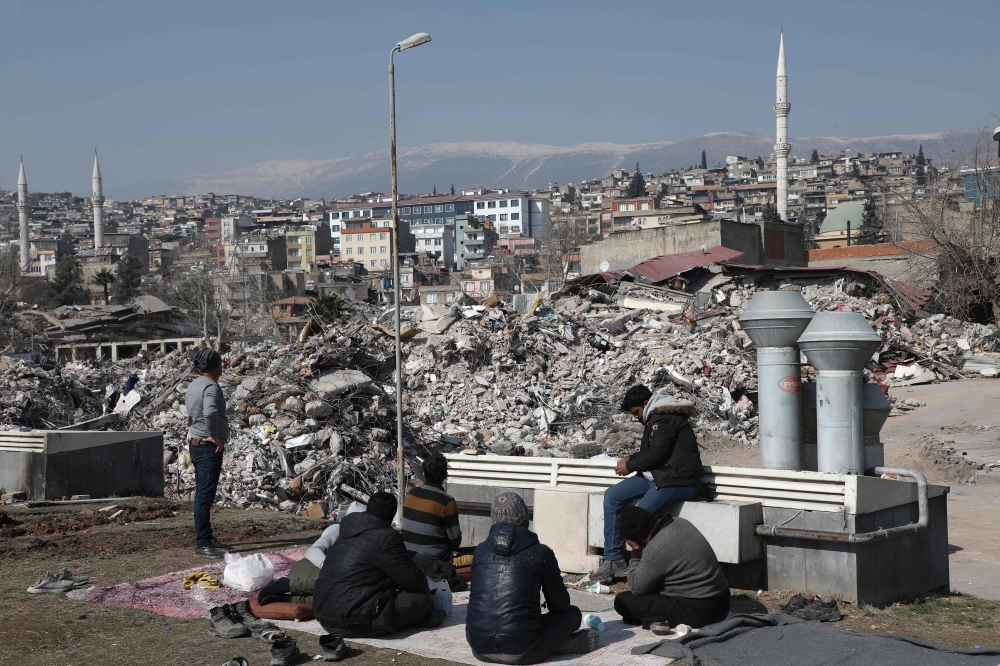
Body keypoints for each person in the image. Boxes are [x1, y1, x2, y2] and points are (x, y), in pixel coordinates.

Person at [466, 492, 599, 665]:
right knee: (573, 614)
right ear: (525, 519)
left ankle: (545, 646)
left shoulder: (480, 551)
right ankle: (555, 646)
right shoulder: (540, 552)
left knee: (521, 628)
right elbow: (560, 605)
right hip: (523, 650)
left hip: (479, 648)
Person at [591, 384, 704, 582]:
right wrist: (630, 458)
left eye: (635, 412)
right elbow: (652, 452)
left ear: (645, 403)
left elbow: (657, 454)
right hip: (659, 475)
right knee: (612, 496)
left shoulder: (664, 417)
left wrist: (630, 465)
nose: (635, 417)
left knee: (638, 517)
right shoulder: (654, 417)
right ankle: (613, 559)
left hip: (678, 480)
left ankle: (648, 570)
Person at [313, 491, 444, 638]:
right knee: (421, 597)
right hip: (352, 621)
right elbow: (414, 581)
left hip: (324, 615)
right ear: (391, 515)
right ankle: (416, 619)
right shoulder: (386, 538)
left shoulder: (345, 532)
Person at [613, 505, 730, 628]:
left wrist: (636, 550)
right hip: (723, 601)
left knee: (623, 602)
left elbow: (637, 588)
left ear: (635, 538)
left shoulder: (657, 546)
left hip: (699, 610)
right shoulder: (681, 521)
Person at [257, 502, 367, 605]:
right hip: (308, 567)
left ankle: (289, 599)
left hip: (319, 577)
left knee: (345, 597)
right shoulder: (337, 530)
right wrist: (328, 567)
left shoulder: (366, 539)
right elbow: (313, 551)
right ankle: (285, 585)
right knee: (344, 581)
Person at [186, 348, 230, 558]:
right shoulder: (212, 387)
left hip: (195, 443)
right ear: (216, 366)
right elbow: (210, 411)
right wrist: (214, 435)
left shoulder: (194, 385)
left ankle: (207, 536)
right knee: (204, 497)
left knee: (202, 493)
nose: (222, 367)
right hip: (207, 446)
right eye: (220, 363)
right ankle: (202, 543)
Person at [402, 454, 464, 590]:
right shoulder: (447, 501)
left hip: (409, 556)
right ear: (445, 475)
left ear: (424, 474)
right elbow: (455, 541)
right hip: (435, 560)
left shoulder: (411, 494)